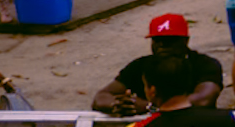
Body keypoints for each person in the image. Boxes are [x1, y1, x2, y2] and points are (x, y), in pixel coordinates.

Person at [95, 13, 226, 115]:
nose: (162, 45)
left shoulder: (205, 64)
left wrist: (150, 108)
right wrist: (119, 105)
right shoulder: (140, 65)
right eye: (157, 40)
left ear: (185, 41)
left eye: (169, 40)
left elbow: (203, 99)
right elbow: (100, 97)